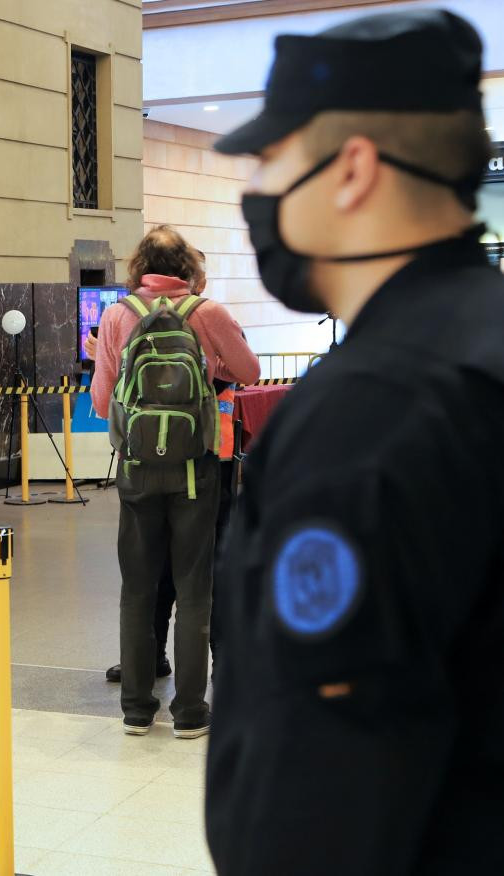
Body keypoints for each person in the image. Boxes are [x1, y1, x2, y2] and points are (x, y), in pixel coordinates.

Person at [206, 9, 503, 873]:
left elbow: (327, 768)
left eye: (269, 158)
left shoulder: (370, 411)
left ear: (353, 170)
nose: (255, 186)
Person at [91, 227, 259, 738]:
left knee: (136, 591)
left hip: (137, 469)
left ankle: (137, 711)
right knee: (194, 590)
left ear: (139, 265)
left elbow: (102, 404)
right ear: (188, 266)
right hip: (195, 469)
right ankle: (189, 713)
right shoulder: (206, 313)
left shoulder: (118, 316)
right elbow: (248, 371)